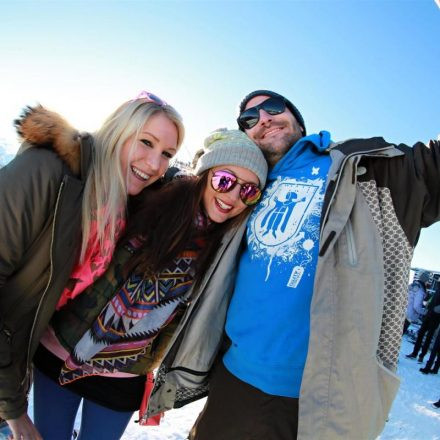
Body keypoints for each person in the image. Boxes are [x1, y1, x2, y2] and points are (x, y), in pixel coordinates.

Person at [141, 89, 440, 440]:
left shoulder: (366, 170)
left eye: (271, 108)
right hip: (235, 383)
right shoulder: (248, 185)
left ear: (297, 119)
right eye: (249, 120)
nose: (262, 119)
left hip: (319, 401)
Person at [30, 129, 267, 440]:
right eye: (224, 180)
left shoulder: (226, 248)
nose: (232, 197)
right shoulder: (150, 193)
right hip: (61, 346)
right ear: (205, 173)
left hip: (125, 374)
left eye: (249, 192)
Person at [0, 91, 185, 440]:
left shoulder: (119, 206)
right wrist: (12, 409)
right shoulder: (45, 172)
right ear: (117, 130)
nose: (154, 163)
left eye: (167, 154)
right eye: (145, 142)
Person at [406, 283, 440, 363]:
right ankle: (415, 353)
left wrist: (437, 308)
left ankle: (422, 356)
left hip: (436, 318)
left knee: (428, 337)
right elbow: (433, 299)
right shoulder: (438, 288)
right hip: (428, 315)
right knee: (420, 334)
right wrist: (429, 302)